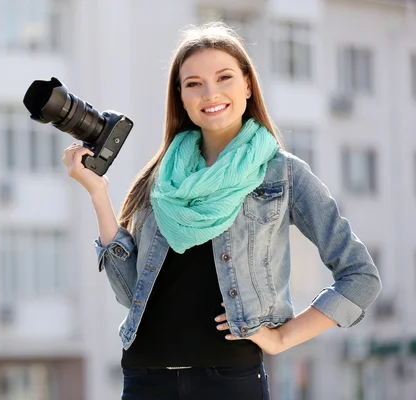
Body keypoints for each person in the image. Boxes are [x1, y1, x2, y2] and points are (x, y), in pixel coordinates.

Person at [63, 22, 382, 400]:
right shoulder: (163, 178)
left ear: (247, 85)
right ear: (180, 97)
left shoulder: (283, 174)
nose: (210, 93)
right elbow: (132, 292)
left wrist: (281, 338)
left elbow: (360, 277)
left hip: (228, 381)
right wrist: (98, 194)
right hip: (145, 379)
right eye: (194, 83)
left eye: (224, 77)